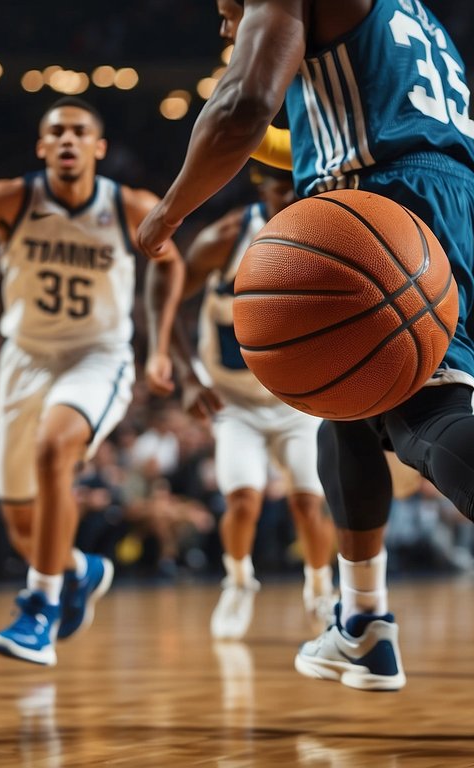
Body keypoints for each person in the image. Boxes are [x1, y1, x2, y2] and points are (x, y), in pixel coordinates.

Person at [139, 0, 474, 725]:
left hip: (386, 204)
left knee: (423, 414)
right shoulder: (406, 14)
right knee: (350, 410)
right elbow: (293, 129)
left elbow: (244, 104)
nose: (226, 24)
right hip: (451, 203)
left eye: (227, 9)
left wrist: (169, 211)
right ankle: (362, 625)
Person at [0, 97, 185, 666]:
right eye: (56, 132)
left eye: (79, 132)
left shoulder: (127, 207)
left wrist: (161, 345)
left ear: (98, 148)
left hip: (98, 355)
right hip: (24, 359)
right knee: (24, 525)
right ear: (41, 147)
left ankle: (38, 610)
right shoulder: (12, 198)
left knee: (55, 448)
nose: (67, 140)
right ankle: (78, 569)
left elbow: (171, 262)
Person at [177, 164, 336, 639]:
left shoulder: (327, 240)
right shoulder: (227, 236)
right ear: (262, 188)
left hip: (295, 401)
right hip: (233, 400)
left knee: (309, 503)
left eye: (295, 187)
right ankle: (239, 581)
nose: (286, 195)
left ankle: (320, 588)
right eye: (277, 187)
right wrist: (186, 374)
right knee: (243, 501)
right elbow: (165, 299)